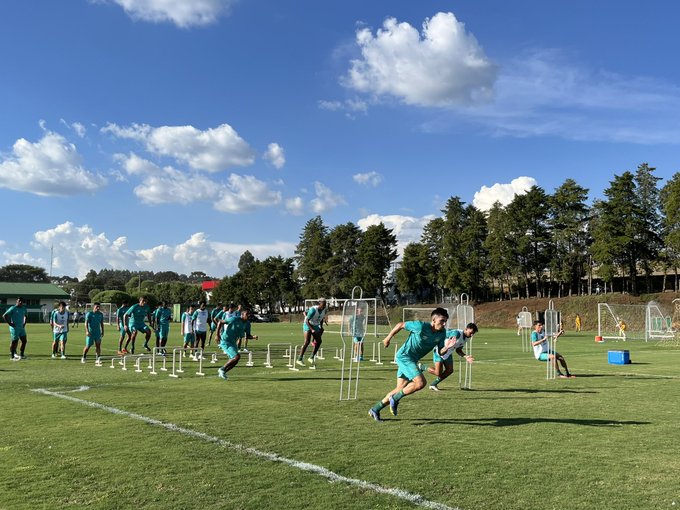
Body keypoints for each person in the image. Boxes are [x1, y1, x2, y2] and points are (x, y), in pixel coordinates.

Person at [368, 307, 454, 422]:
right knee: (420, 383)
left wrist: (447, 347)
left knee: (400, 388)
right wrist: (388, 337)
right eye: (441, 321)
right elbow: (400, 324)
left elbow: (439, 352)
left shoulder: (442, 333)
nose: (444, 324)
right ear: (433, 320)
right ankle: (395, 398)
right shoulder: (421, 326)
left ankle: (375, 409)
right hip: (404, 357)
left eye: (445, 321)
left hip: (412, 360)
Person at [428, 323, 478, 391]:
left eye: (473, 333)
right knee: (438, 373)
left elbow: (458, 350)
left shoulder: (466, 338)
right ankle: (421, 367)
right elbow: (446, 333)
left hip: (448, 353)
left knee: (449, 370)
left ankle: (433, 384)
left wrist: (466, 356)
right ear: (466, 329)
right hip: (439, 351)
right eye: (471, 333)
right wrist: (450, 339)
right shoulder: (457, 333)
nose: (471, 335)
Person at [216, 308, 248, 380]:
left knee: (236, 360)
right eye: (247, 315)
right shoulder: (234, 319)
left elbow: (244, 336)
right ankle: (222, 369)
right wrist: (217, 335)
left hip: (233, 342)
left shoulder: (245, 324)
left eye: (249, 315)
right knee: (236, 357)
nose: (248, 316)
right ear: (242, 315)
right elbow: (220, 322)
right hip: (226, 341)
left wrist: (253, 337)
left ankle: (223, 372)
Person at [298, 297, 327, 366]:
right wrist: (312, 329)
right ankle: (299, 359)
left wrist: (321, 327)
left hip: (315, 325)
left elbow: (321, 318)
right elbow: (306, 321)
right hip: (308, 325)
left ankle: (311, 357)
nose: (324, 305)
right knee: (307, 341)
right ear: (319, 303)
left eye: (325, 304)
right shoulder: (313, 310)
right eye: (323, 304)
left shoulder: (324, 310)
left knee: (319, 341)